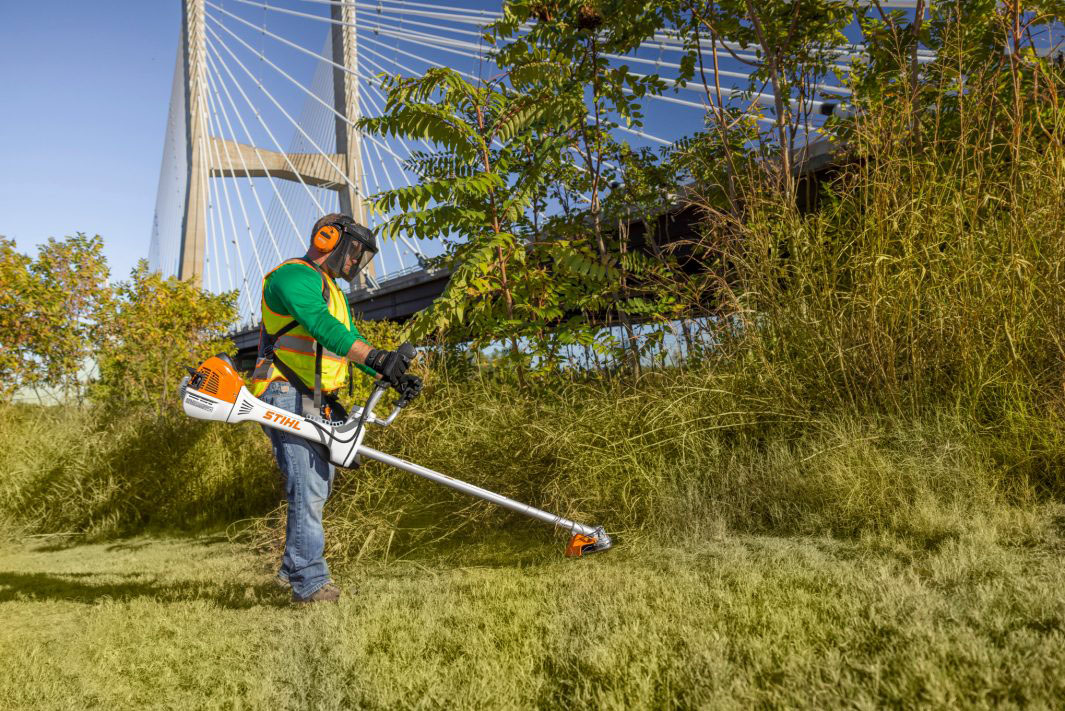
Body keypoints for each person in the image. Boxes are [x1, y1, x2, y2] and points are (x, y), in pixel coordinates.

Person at [249, 213, 416, 604]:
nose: (357, 261)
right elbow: (322, 327)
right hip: (284, 391)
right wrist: (376, 356)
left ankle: (293, 569)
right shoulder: (292, 277)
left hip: (314, 397)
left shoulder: (332, 290)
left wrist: (388, 368)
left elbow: (348, 339)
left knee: (317, 485)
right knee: (306, 484)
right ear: (327, 238)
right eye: (355, 249)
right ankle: (309, 583)